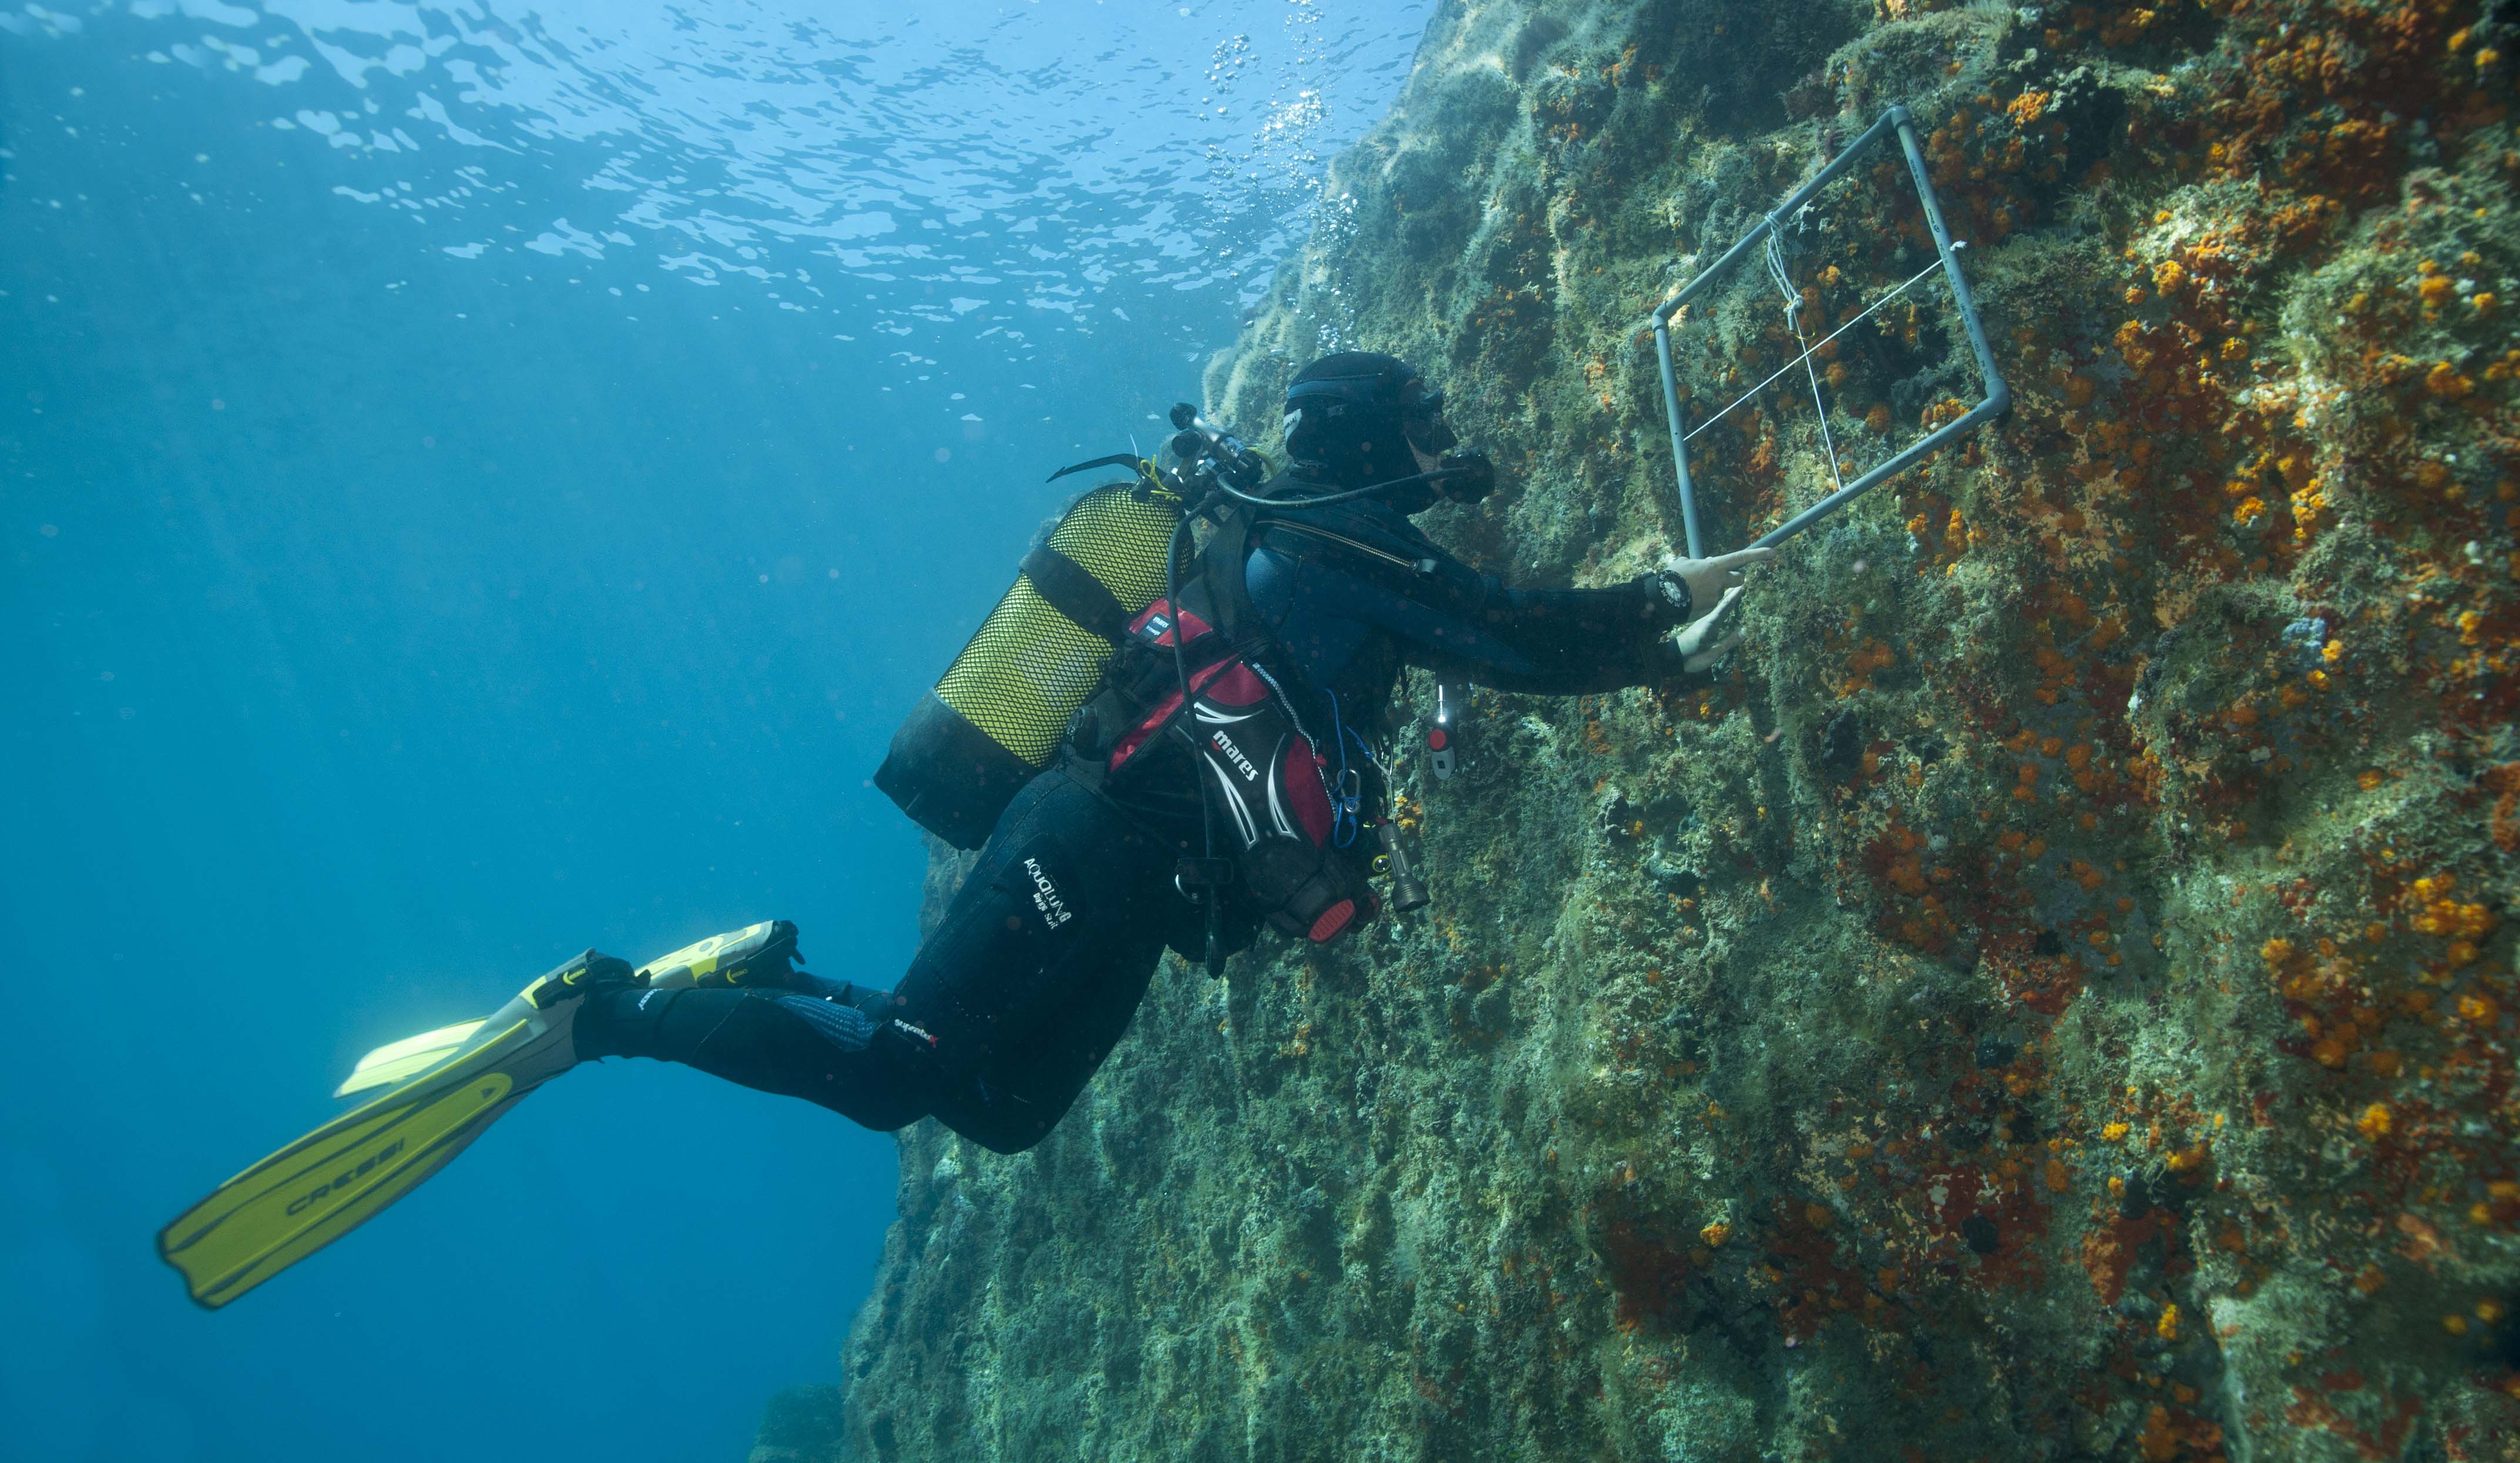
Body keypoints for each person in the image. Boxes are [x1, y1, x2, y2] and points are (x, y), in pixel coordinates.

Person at [158, 351, 1770, 1309]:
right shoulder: (1332, 539)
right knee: (899, 1083)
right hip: (1088, 840)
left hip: (1133, 884)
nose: (1441, 447)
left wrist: (1630, 628)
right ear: (1363, 442)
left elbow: (1466, 646)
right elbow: (1521, 639)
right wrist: (1661, 611)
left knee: (999, 1113)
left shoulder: (1315, 542)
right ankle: (605, 1019)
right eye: (1420, 426)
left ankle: (768, 971)